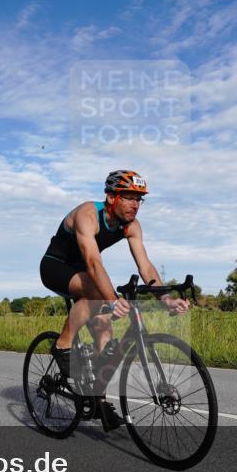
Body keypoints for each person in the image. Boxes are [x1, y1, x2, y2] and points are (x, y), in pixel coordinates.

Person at [38, 170, 190, 429]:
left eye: (139, 199)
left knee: (105, 333)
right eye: (129, 198)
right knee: (96, 293)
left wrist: (166, 298)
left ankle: (98, 400)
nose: (135, 205)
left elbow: (147, 267)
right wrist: (112, 299)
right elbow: (94, 262)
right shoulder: (87, 215)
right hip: (56, 267)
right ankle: (62, 346)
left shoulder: (132, 226)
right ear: (111, 197)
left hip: (86, 273)